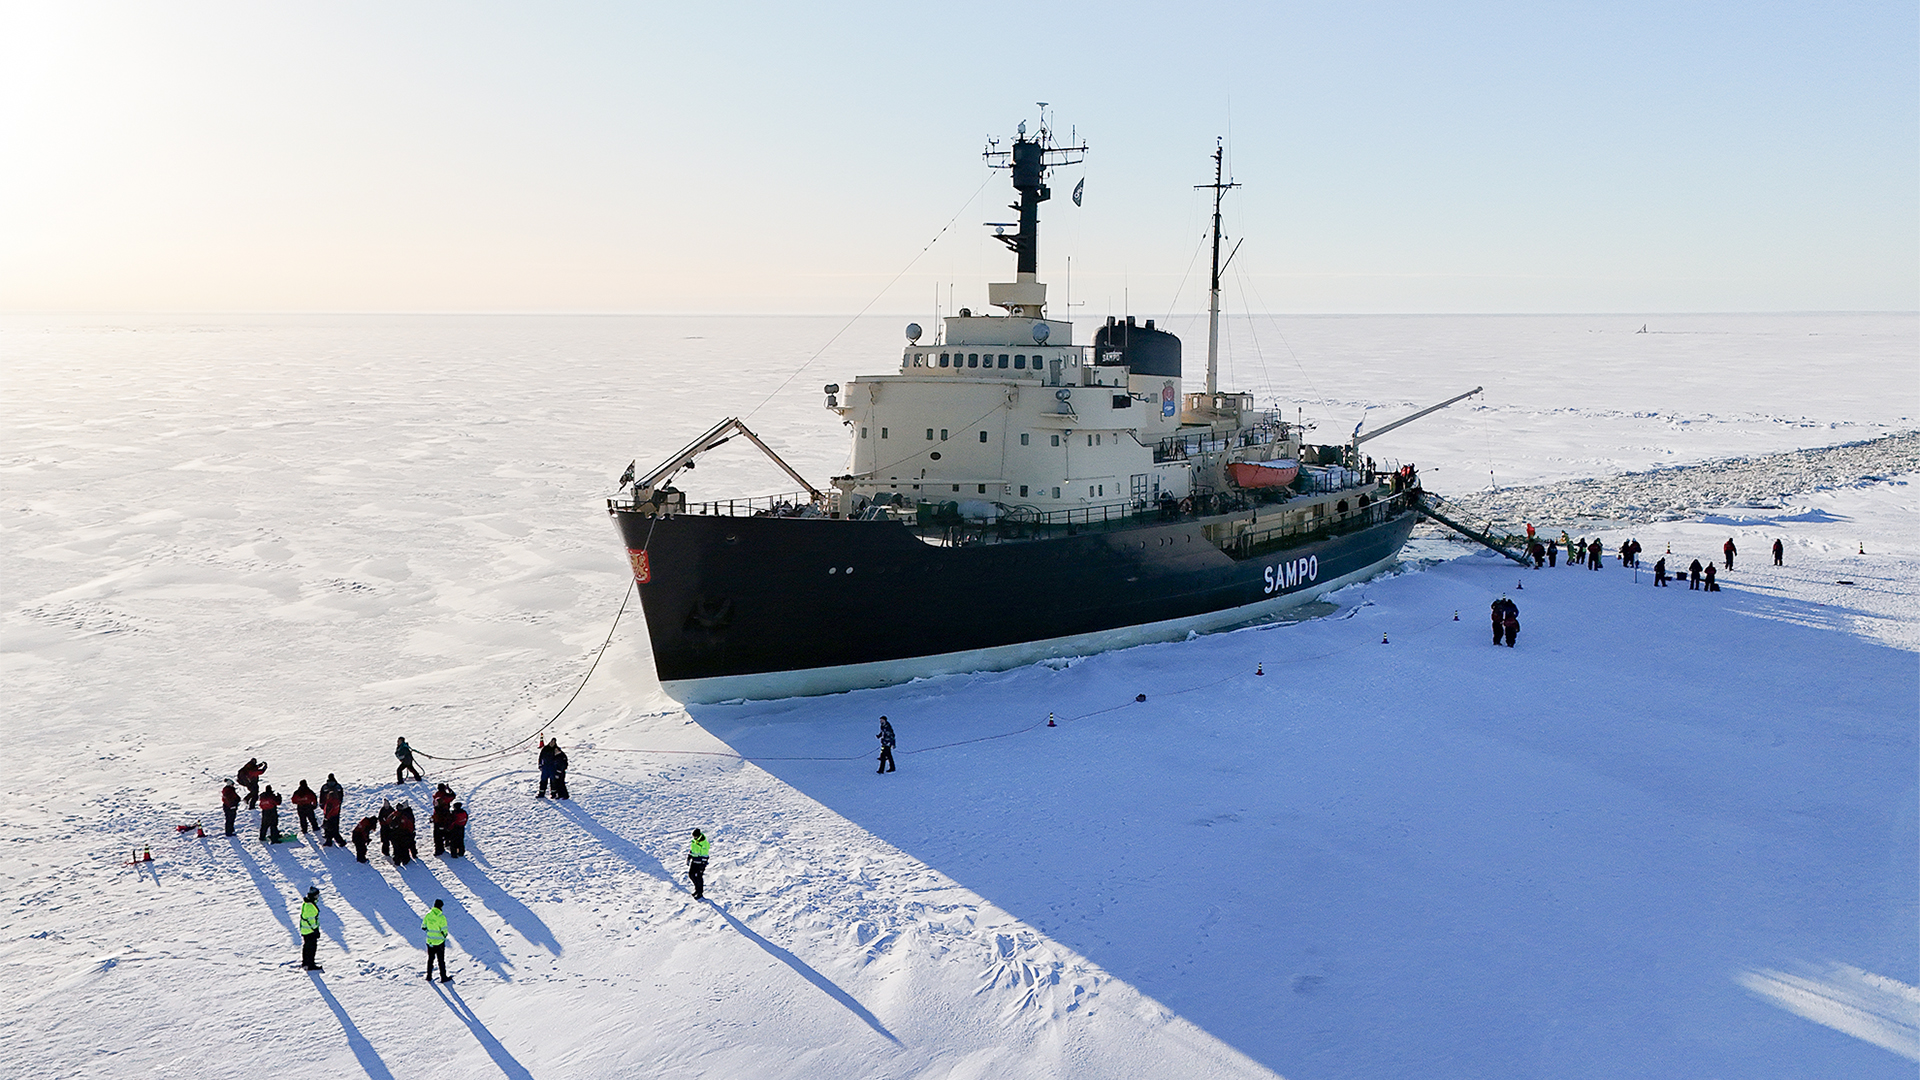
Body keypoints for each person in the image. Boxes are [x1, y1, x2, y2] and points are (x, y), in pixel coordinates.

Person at [422, 899, 451, 982]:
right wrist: (443, 936)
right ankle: (443, 977)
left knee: (430, 959)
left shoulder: (428, 915)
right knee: (441, 960)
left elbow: (423, 927)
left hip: (430, 941)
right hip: (439, 942)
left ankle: (429, 976)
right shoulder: (441, 917)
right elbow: (444, 931)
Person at [298, 887, 323, 971]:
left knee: (306, 947)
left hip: (305, 930)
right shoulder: (311, 906)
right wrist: (316, 930)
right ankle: (310, 964)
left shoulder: (306, 903)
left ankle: (305, 962)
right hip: (310, 931)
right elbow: (311, 920)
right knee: (311, 948)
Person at [319, 775, 346, 847]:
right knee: (333, 826)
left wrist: (322, 804)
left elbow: (321, 795)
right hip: (334, 812)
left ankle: (335, 840)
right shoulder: (338, 787)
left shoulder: (325, 787)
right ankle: (330, 839)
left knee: (330, 827)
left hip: (329, 811)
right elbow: (341, 796)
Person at [432, 784, 455, 856]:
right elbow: (453, 796)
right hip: (445, 816)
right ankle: (448, 842)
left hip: (437, 817)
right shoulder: (445, 796)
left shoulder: (436, 795)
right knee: (447, 830)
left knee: (437, 834)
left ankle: (439, 849)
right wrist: (449, 789)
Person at [687, 829, 710, 900]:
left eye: (695, 836)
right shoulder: (694, 841)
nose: (694, 837)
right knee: (691, 875)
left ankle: (700, 892)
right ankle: (697, 889)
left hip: (700, 863)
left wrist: (703, 864)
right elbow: (693, 850)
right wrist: (689, 857)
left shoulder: (704, 843)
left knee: (699, 876)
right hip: (694, 861)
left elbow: (705, 854)